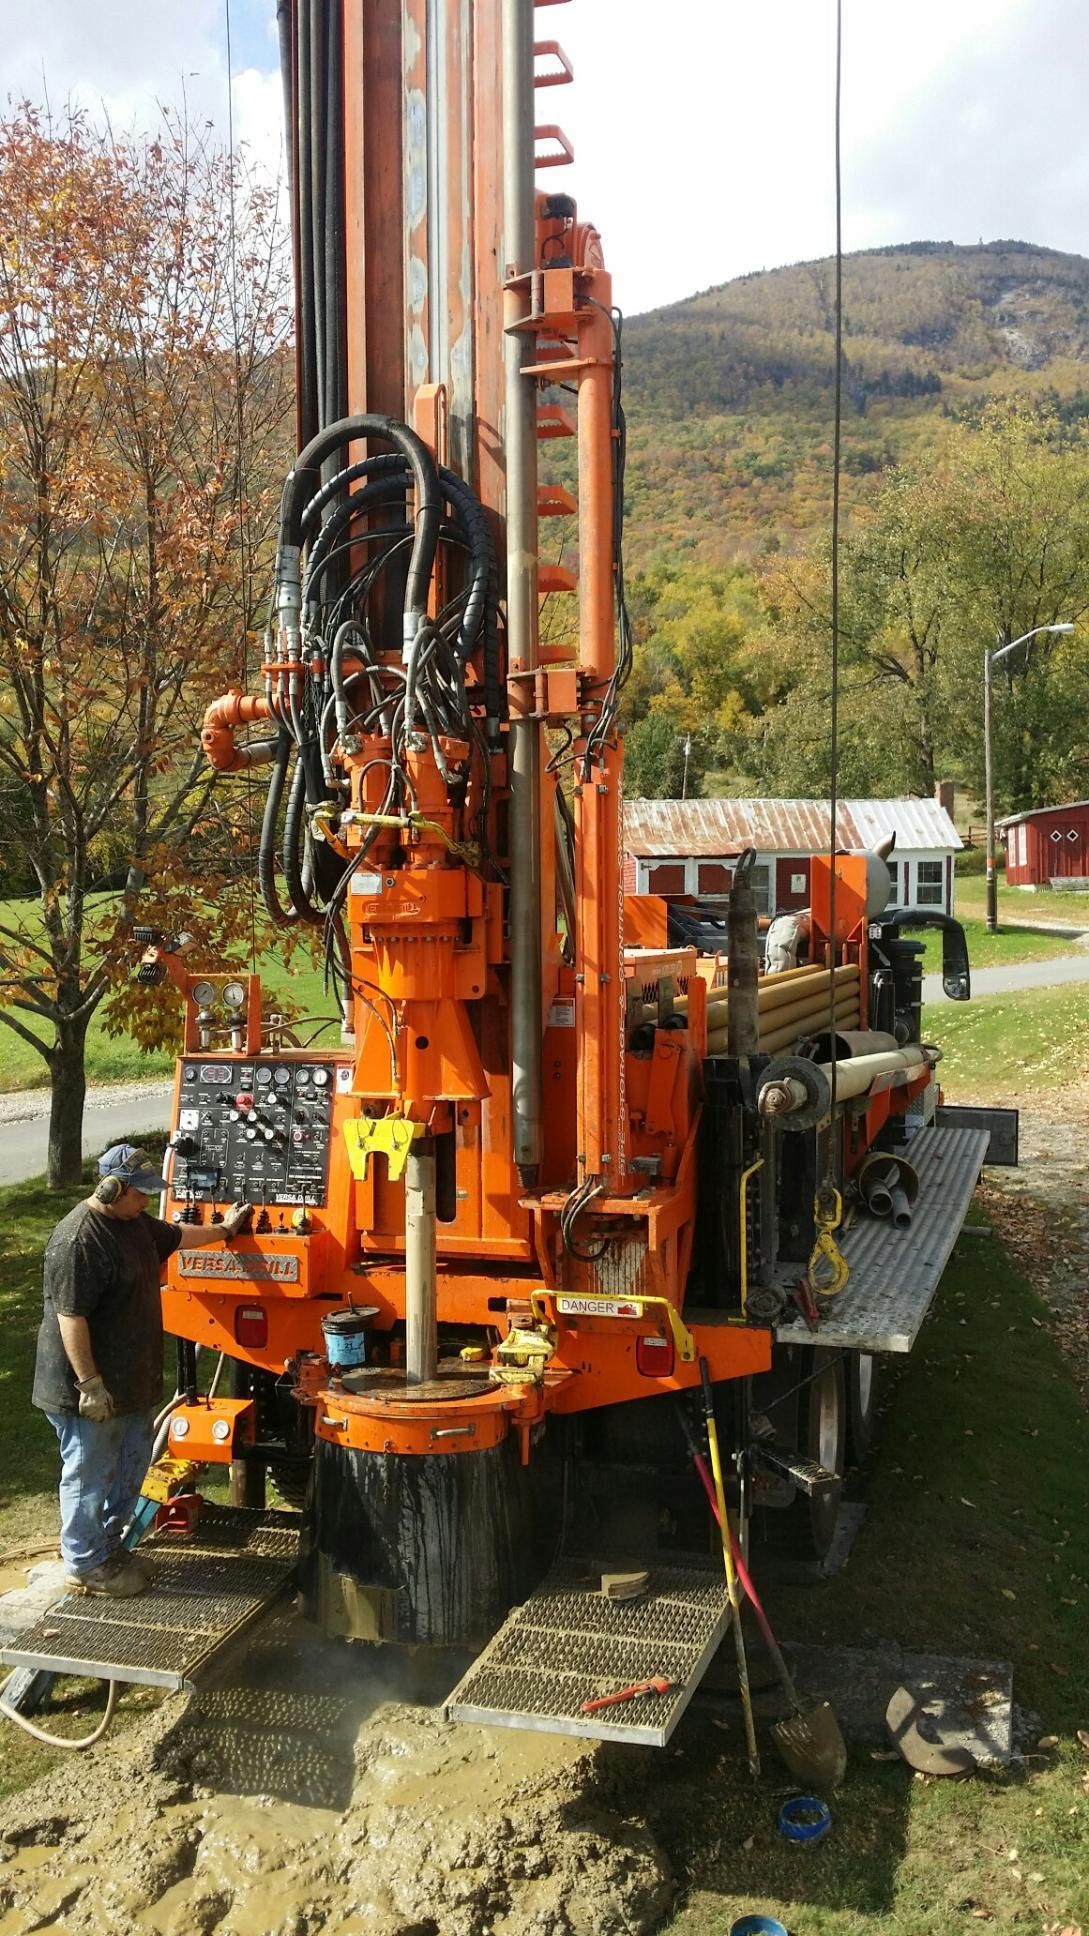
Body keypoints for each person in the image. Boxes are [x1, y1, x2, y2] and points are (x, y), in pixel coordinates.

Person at [32, 1144, 252, 1599]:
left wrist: (225, 1230)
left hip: (130, 1383)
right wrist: (90, 1385)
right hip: (90, 1389)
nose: (148, 1201)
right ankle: (84, 1562)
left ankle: (109, 1549)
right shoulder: (78, 1241)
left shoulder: (134, 1224)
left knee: (129, 1469)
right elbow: (70, 1318)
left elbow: (177, 1235)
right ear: (113, 1189)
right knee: (89, 1473)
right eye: (141, 1194)